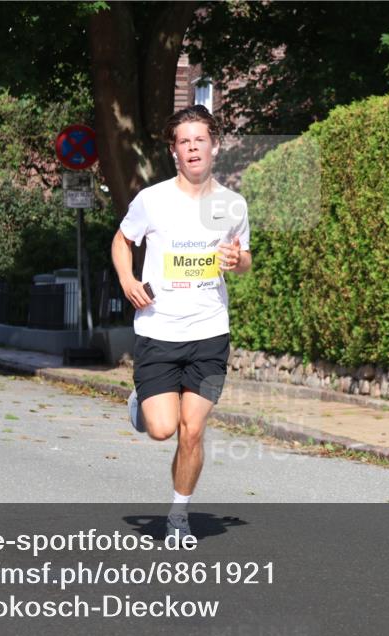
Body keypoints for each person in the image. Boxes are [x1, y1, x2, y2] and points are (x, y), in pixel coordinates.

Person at [111, 104, 252, 539]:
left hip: (210, 334)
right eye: (184, 142)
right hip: (158, 332)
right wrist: (127, 278)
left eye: (200, 140)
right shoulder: (151, 200)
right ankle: (143, 405)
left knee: (192, 430)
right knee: (162, 428)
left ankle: (178, 516)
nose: (193, 148)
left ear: (214, 146)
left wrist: (236, 260)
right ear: (175, 152)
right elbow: (122, 240)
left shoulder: (232, 204)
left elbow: (244, 259)